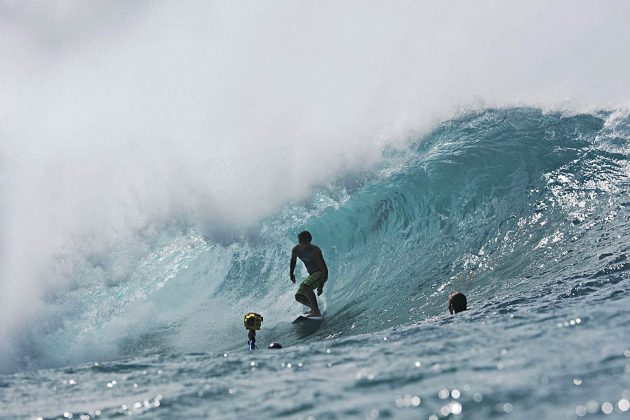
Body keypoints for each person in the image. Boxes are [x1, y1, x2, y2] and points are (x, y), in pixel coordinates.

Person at [290, 231, 328, 317]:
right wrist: (291, 273)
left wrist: (321, 285)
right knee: (299, 296)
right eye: (301, 242)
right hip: (312, 275)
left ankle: (316, 311)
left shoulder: (315, 250)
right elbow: (293, 260)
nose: (303, 245)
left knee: (306, 286)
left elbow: (325, 270)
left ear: (309, 241)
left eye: (305, 243)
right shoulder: (296, 250)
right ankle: (313, 308)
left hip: (320, 273)